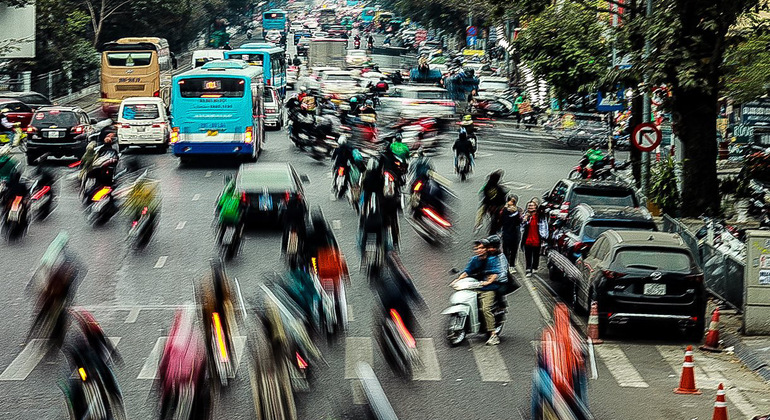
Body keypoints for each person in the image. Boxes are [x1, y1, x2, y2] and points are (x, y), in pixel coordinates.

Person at [478, 235, 508, 345]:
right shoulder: (485, 256)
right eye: (488, 247)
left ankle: (493, 333)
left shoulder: (501, 258)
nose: (489, 249)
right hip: (485, 281)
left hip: (498, 282)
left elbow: (503, 273)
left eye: (491, 247)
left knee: (486, 307)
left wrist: (492, 278)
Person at [474, 170, 508, 234]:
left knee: (480, 213)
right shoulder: (499, 188)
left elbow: (483, 194)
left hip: (488, 204)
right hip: (497, 206)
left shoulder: (487, 186)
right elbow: (502, 197)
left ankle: (478, 225)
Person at [521, 198, 548, 277]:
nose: (530, 208)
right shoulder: (526, 215)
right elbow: (521, 227)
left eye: (532, 206)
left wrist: (544, 237)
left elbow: (544, 227)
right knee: (528, 254)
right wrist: (525, 219)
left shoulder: (540, 216)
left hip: (537, 239)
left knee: (536, 254)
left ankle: (535, 267)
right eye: (529, 206)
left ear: (536, 207)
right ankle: (528, 268)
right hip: (527, 239)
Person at [500, 195, 522, 266]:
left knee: (514, 250)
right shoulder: (503, 210)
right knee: (506, 249)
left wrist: (515, 213)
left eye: (513, 201)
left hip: (515, 232)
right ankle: (506, 264)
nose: (511, 203)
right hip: (506, 232)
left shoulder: (518, 210)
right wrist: (506, 210)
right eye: (510, 201)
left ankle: (512, 265)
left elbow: (519, 222)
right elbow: (501, 220)